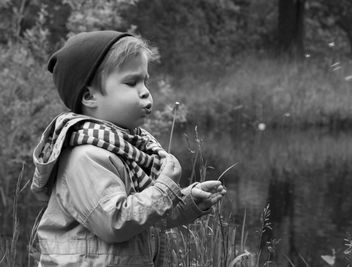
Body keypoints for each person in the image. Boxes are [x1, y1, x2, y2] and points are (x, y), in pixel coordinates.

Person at [31, 30, 226, 266]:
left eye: (145, 81)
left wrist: (187, 201)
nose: (144, 91)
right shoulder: (85, 156)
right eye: (131, 82)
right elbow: (116, 222)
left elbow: (146, 215)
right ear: (89, 96)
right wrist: (165, 189)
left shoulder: (128, 148)